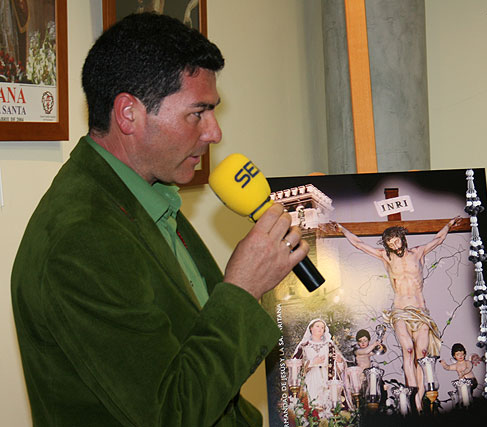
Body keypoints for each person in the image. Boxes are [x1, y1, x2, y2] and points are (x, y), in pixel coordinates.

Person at [11, 12, 309, 426]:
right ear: (128, 114)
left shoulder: (147, 195)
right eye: (197, 113)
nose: (215, 133)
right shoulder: (81, 240)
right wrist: (242, 289)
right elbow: (172, 414)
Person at [330, 217, 461, 410]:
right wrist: (342, 229)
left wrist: (449, 225)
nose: (395, 246)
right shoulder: (386, 257)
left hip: (420, 311)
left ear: (402, 238)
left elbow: (438, 239)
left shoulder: (418, 252)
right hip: (399, 310)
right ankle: (413, 397)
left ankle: (420, 401)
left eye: (397, 241)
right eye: (390, 244)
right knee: (408, 350)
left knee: (422, 355)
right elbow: (359, 244)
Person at [292, 319, 345, 411]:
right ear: (311, 328)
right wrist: (312, 362)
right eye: (317, 326)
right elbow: (295, 365)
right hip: (311, 378)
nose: (320, 329)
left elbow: (338, 368)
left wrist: (339, 361)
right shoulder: (304, 345)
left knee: (327, 404)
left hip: (326, 378)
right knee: (312, 403)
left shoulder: (329, 345)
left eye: (322, 327)